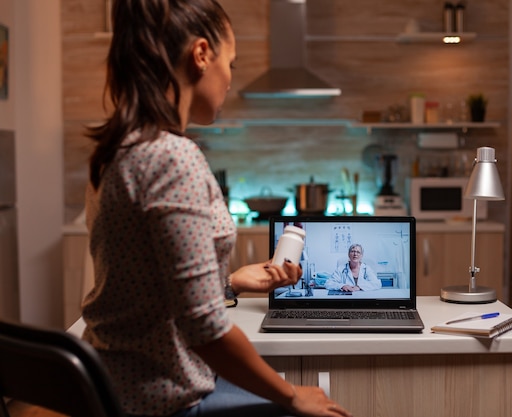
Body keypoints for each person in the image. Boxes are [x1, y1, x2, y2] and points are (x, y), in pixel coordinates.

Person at [80, 1, 352, 417]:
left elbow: (143, 293)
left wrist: (230, 285)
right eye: (231, 63)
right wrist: (292, 394)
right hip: (164, 399)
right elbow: (207, 332)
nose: (229, 80)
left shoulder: (120, 149)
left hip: (115, 390)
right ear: (202, 54)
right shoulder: (172, 159)